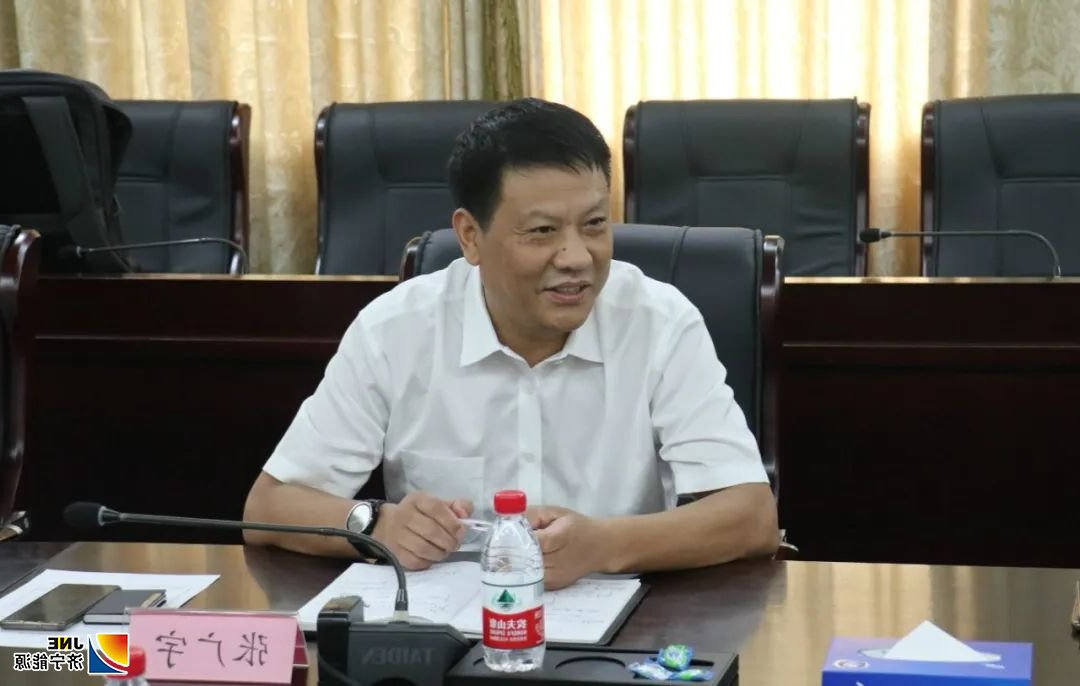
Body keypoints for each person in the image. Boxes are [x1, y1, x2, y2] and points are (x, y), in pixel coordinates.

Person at [243, 98, 779, 589]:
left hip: (622, 631)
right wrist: (376, 524)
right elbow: (269, 507)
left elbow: (751, 516)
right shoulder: (395, 330)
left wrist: (603, 545)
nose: (577, 257)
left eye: (595, 224)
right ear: (470, 237)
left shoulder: (659, 323)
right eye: (542, 232)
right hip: (446, 631)